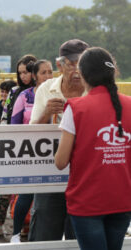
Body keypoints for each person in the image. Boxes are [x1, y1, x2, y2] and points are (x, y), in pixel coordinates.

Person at [55, 47, 131, 250]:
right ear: (112, 72)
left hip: (87, 202)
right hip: (123, 200)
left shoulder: (76, 107)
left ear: (82, 74)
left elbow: (60, 162)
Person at [28, 39, 89, 242]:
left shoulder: (95, 90)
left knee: (80, 238)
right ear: (60, 65)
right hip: (49, 173)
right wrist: (46, 113)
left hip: (85, 176)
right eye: (72, 63)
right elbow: (31, 134)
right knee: (44, 234)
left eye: (82, 63)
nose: (77, 69)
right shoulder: (46, 90)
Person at [0, 55, 37, 239]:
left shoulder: (41, 91)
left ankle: (26, 226)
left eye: (27, 72)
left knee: (29, 189)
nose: (23, 76)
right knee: (5, 184)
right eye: (20, 72)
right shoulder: (14, 92)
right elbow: (5, 117)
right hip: (12, 144)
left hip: (34, 148)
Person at [10, 60, 53, 243]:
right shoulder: (25, 97)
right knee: (26, 194)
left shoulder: (58, 94)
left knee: (50, 199)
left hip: (53, 154)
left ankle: (45, 238)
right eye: (43, 72)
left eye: (50, 72)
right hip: (29, 152)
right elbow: (14, 126)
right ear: (35, 76)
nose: (48, 76)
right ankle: (15, 234)